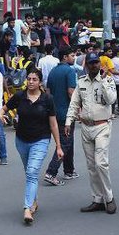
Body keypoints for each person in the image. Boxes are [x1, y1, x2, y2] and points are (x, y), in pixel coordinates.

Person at [5, 69, 61, 225]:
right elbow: (5, 108)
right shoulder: (19, 96)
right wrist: (2, 114)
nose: (30, 82)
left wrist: (58, 146)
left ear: (40, 82)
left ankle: (27, 208)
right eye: (29, 79)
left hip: (41, 140)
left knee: (31, 171)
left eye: (34, 79)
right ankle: (34, 201)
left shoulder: (47, 99)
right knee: (30, 173)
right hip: (21, 140)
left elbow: (53, 123)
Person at [66, 52, 118, 214]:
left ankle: (109, 198)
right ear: (86, 64)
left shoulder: (108, 80)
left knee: (100, 163)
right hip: (86, 128)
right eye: (91, 62)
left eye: (96, 62)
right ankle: (97, 199)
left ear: (100, 64)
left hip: (102, 126)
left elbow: (111, 99)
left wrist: (102, 81)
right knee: (91, 166)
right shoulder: (81, 82)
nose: (94, 65)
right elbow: (74, 104)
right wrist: (69, 121)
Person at [43, 50, 80, 185]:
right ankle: (51, 172)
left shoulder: (53, 71)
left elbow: (48, 92)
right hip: (66, 113)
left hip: (54, 113)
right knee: (65, 142)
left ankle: (69, 170)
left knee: (67, 140)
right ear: (65, 57)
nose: (74, 57)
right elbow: (71, 92)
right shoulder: (70, 71)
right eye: (72, 55)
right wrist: (79, 109)